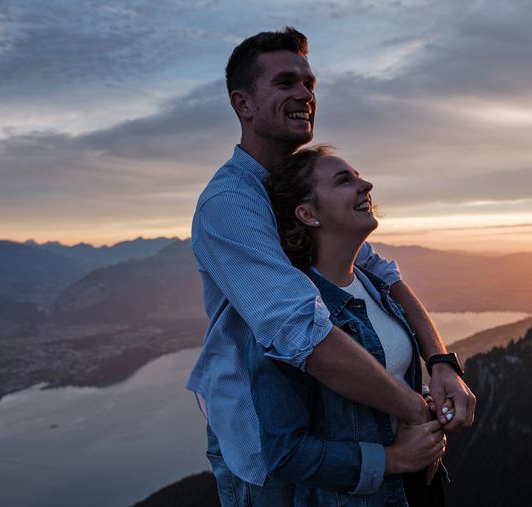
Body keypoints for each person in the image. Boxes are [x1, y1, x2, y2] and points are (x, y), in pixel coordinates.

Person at [186, 27, 475, 506]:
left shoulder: (298, 187)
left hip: (335, 428)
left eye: (309, 84)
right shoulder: (231, 202)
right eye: (285, 82)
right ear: (243, 103)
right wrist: (417, 411)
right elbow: (301, 332)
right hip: (266, 441)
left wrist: (441, 363)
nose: (305, 94)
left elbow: (383, 276)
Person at [249, 145, 447, 505]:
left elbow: (388, 380)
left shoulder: (375, 287)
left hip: (419, 489)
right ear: (308, 214)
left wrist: (428, 402)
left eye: (359, 177)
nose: (366, 186)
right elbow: (286, 454)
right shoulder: (291, 318)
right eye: (345, 181)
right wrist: (392, 459)